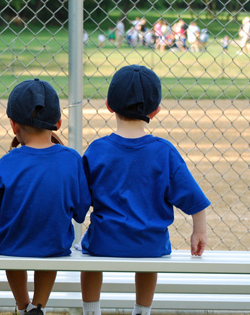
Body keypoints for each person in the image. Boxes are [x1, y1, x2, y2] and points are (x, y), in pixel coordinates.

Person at [79, 65, 210, 315]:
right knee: (149, 262)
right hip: (151, 244)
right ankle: (142, 312)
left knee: (90, 260)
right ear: (156, 110)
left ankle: (91, 311)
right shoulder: (164, 151)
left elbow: (80, 200)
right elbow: (194, 199)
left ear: (109, 105)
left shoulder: (97, 149)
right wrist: (199, 231)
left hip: (105, 242)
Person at [0, 79, 91, 315]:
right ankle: (38, 306)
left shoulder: (7, 162)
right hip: (53, 244)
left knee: (10, 239)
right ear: (58, 122)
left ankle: (22, 305)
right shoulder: (72, 159)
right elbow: (80, 212)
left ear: (13, 125)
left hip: (11, 245)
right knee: (50, 238)